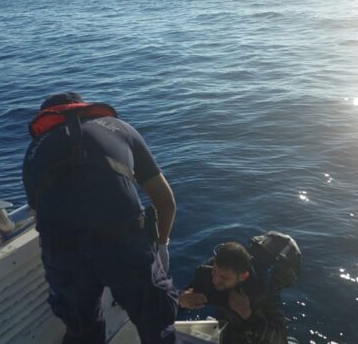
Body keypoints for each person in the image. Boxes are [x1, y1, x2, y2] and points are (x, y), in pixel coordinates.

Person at [22, 92, 178, 344]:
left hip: (64, 255)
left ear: (48, 118)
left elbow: (38, 215)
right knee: (157, 326)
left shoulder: (33, 152)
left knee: (83, 333)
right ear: (83, 109)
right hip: (127, 247)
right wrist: (162, 245)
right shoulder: (121, 129)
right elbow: (165, 200)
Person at [179, 242, 288, 344]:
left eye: (224, 278)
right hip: (227, 333)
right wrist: (181, 300)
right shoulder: (210, 275)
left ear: (243, 276)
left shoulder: (263, 289)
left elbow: (280, 338)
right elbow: (178, 298)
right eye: (214, 271)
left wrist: (247, 314)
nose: (215, 280)